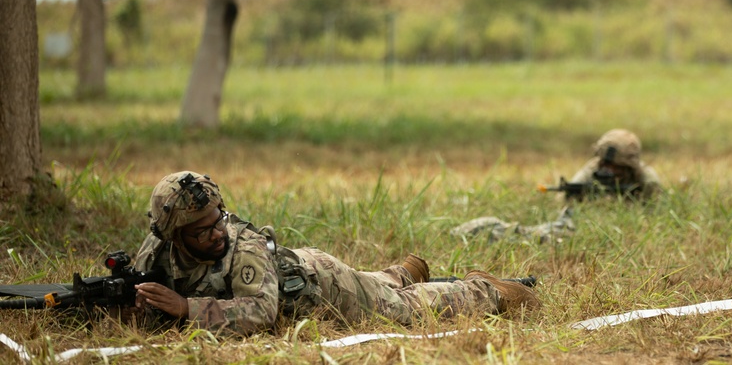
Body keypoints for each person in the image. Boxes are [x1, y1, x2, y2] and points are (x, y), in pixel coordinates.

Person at [132, 171, 540, 336]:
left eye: (219, 219)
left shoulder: (245, 246)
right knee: (381, 287)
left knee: (403, 311)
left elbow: (261, 313)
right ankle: (401, 271)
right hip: (303, 271)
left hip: (323, 286)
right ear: (173, 233)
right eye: (203, 230)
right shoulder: (157, 247)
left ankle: (490, 291)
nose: (217, 232)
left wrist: (187, 307)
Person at [560, 129, 662, 203]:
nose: (608, 170)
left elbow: (656, 204)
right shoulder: (592, 168)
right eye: (604, 163)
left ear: (629, 166)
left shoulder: (647, 179)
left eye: (616, 166)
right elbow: (565, 196)